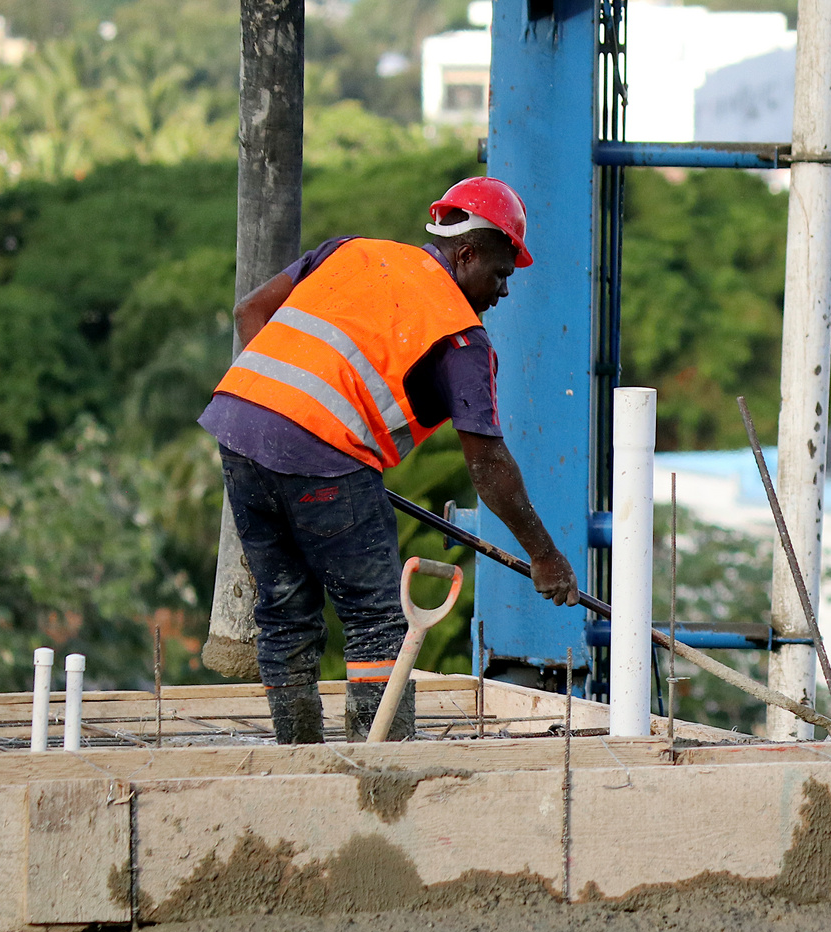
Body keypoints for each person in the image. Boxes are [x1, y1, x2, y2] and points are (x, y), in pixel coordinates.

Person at [199, 177, 577, 744]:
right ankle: (384, 772)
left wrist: (276, 410)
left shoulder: (352, 252)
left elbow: (250, 310)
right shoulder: (459, 336)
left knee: (284, 612)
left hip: (239, 431)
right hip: (320, 454)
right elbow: (489, 466)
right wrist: (545, 557)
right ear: (466, 252)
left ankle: (297, 760)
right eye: (500, 274)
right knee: (376, 618)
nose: (503, 292)